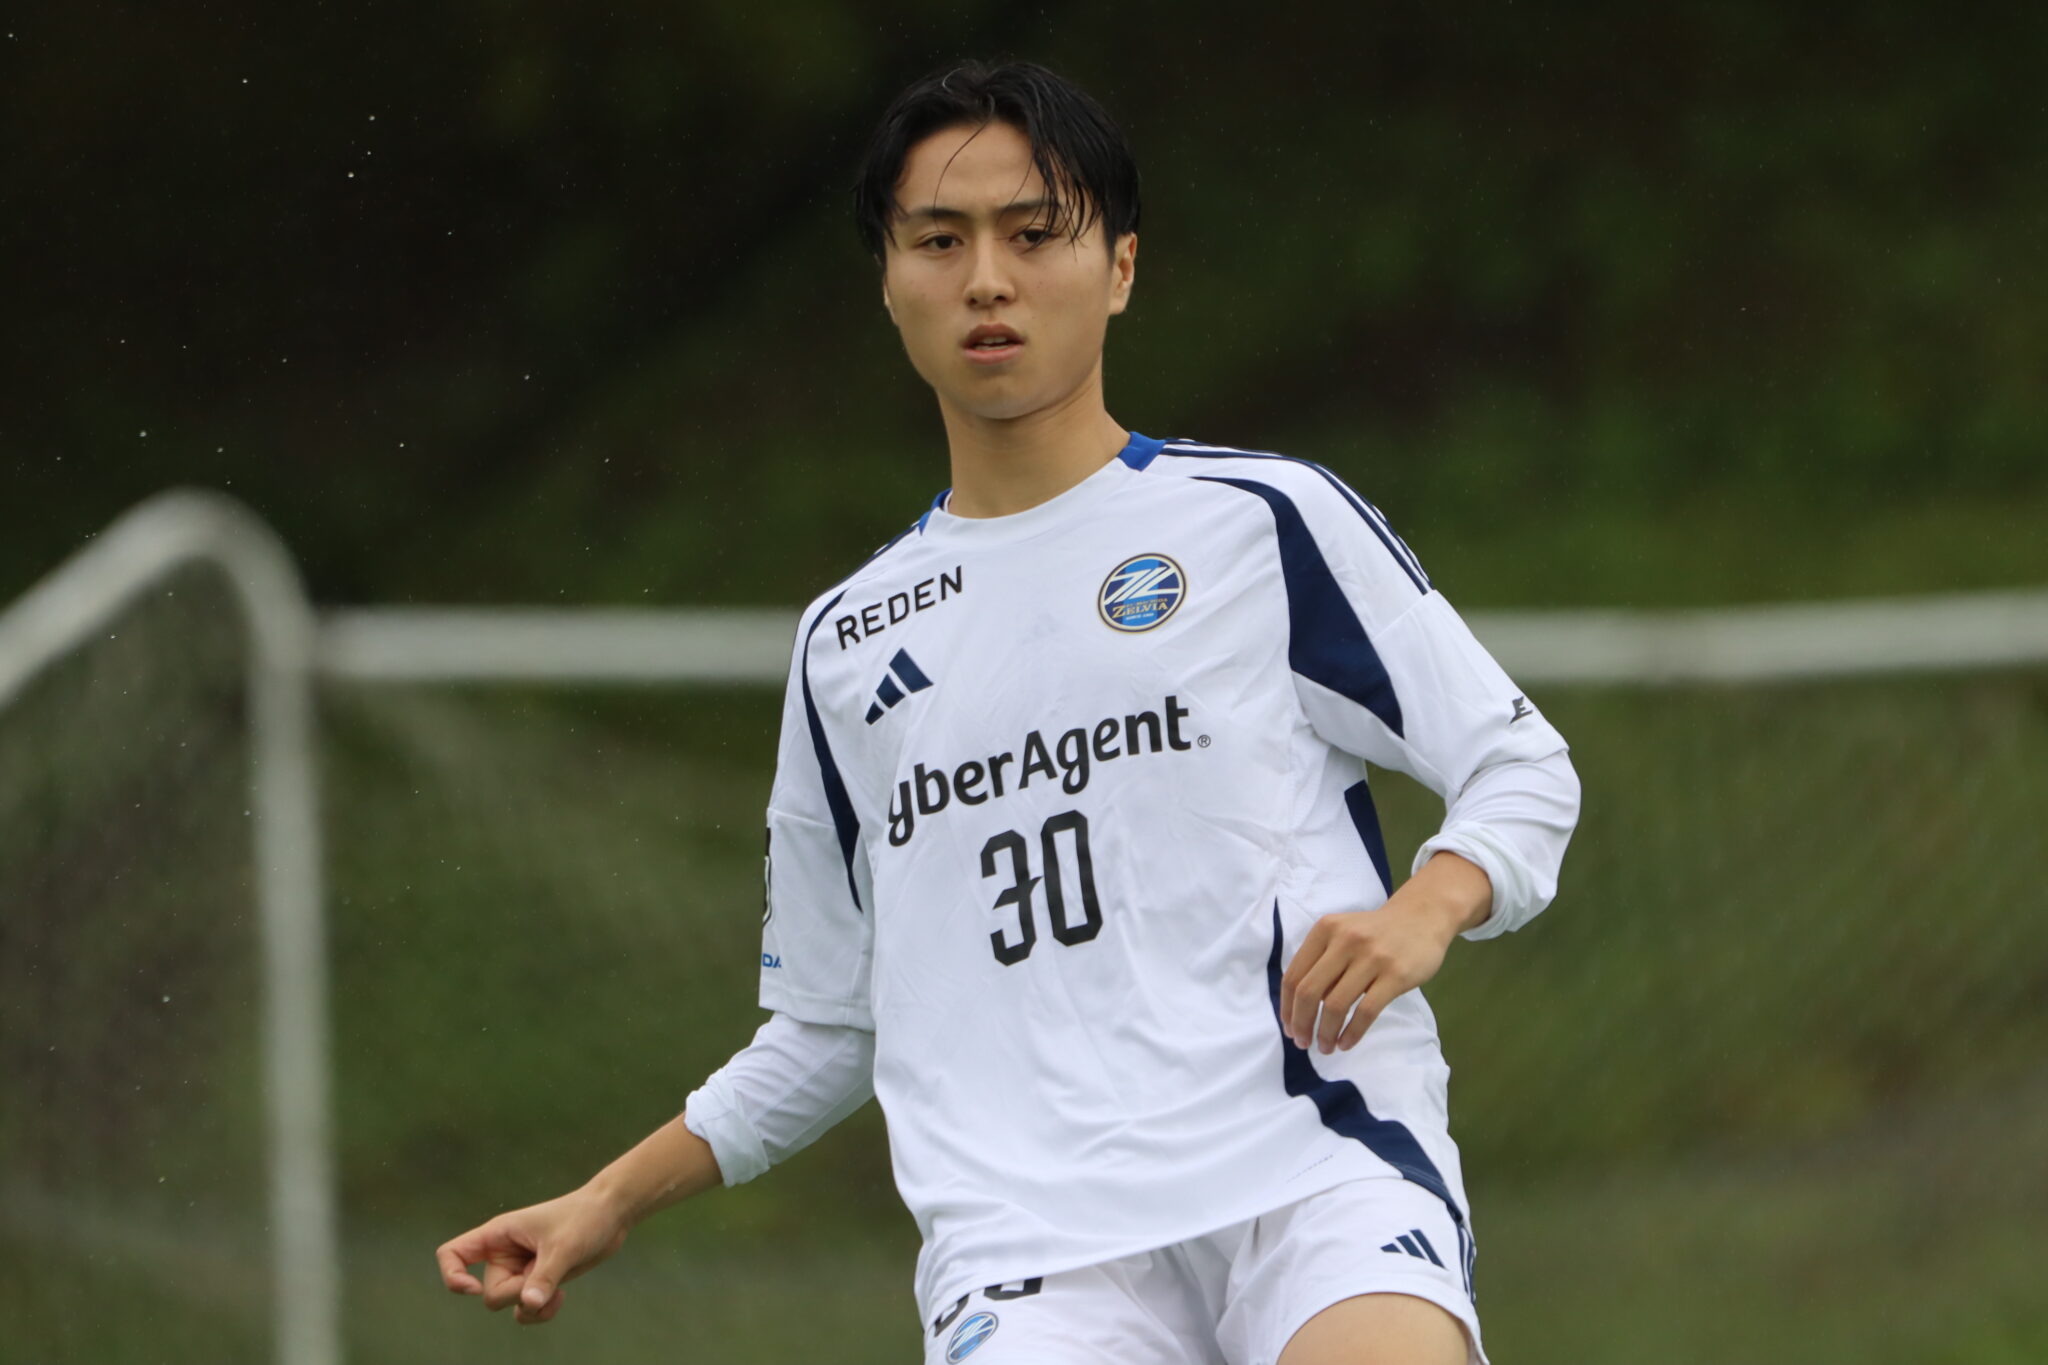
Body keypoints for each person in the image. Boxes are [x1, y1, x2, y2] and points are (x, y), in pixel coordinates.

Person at [435, 59, 1579, 1365]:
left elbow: (1518, 764)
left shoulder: (1264, 523)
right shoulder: (846, 645)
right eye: (941, 240)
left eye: (1034, 235)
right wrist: (607, 1200)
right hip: (1030, 1249)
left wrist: (1430, 902)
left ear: (1121, 268)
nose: (987, 278)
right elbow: (830, 1022)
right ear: (889, 282)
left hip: (1314, 1166)